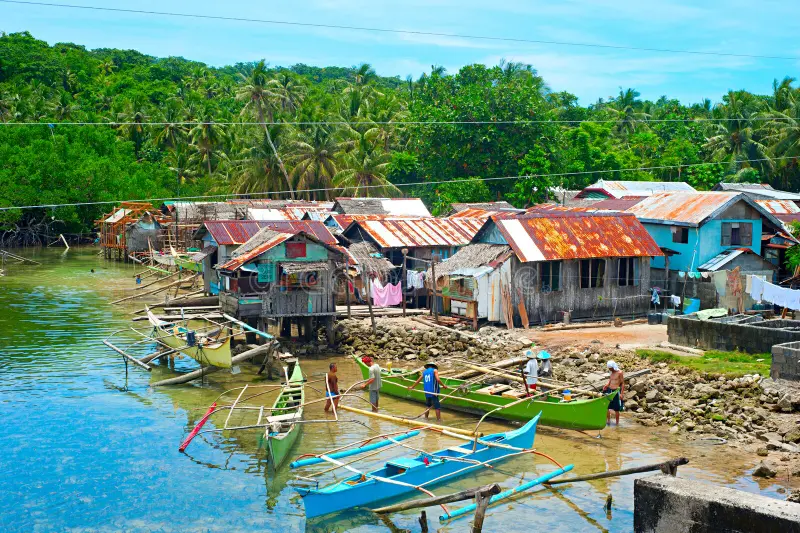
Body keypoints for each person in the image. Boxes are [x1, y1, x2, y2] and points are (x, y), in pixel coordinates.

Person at [603, 360, 625, 426]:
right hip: (609, 390)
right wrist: (607, 385)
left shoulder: (620, 373)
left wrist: (621, 394)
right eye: (609, 368)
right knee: (607, 407)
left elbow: (623, 383)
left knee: (616, 409)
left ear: (613, 367)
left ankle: (617, 423)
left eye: (610, 368)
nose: (609, 369)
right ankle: (608, 422)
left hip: (616, 392)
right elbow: (611, 380)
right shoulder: (611, 372)